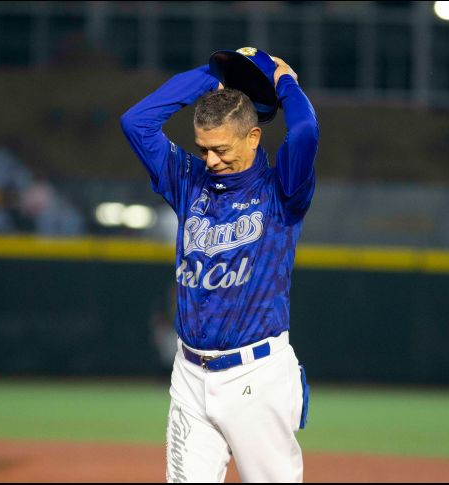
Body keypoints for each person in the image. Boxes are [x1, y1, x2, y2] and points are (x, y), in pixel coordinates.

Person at [120, 52, 319, 483]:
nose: (210, 160)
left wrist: (285, 83)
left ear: (252, 137)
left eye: (221, 149)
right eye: (203, 149)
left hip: (257, 375)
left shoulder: (281, 191)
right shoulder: (189, 181)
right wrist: (212, 75)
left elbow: (304, 131)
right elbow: (136, 122)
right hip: (190, 374)